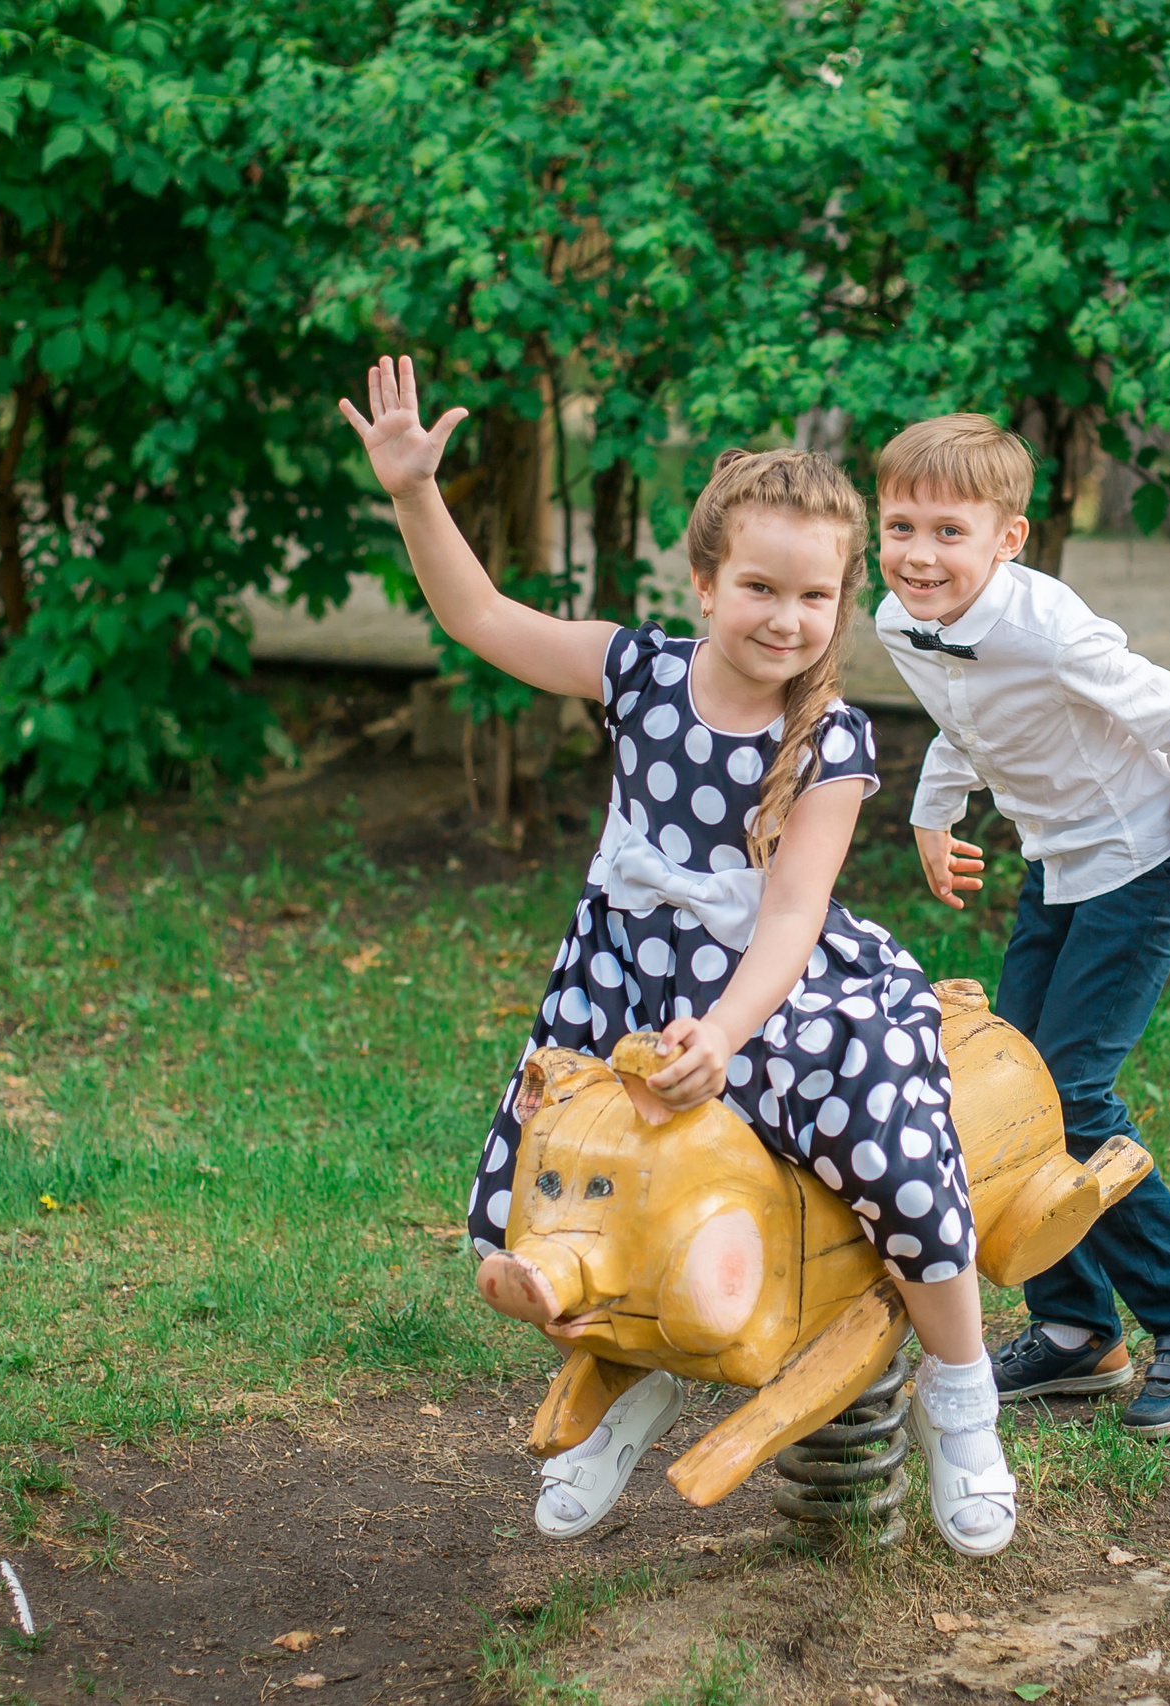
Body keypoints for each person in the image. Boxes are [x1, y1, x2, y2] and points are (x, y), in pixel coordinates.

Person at [338, 358, 1017, 1557]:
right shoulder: (637, 674)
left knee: (898, 1160)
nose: (785, 618)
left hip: (773, 991)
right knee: (539, 1202)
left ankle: (962, 1401)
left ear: (840, 599)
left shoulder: (832, 740)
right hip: (621, 981)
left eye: (814, 596)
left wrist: (727, 1033)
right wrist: (411, 494)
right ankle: (632, 1383)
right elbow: (480, 618)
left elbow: (794, 916)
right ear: (705, 583)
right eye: (758, 585)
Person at [871, 413, 1170, 1440]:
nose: (919, 554)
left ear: (1008, 537)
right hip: (1056, 867)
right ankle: (1075, 1330)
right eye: (900, 525)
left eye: (948, 531)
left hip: (1141, 865)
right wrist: (933, 806)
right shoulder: (896, 617)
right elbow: (972, 715)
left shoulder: (1046, 625)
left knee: (1073, 1096)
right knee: (1012, 1099)